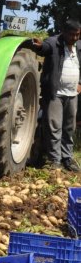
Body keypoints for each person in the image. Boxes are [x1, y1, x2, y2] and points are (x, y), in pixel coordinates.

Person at [33, 18, 81, 171]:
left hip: (72, 94)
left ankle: (68, 158)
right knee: (54, 126)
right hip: (55, 93)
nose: (74, 38)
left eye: (77, 35)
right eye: (71, 35)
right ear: (64, 32)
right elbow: (44, 47)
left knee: (69, 127)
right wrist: (39, 46)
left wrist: (80, 83)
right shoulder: (53, 43)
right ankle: (55, 160)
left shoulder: (79, 46)